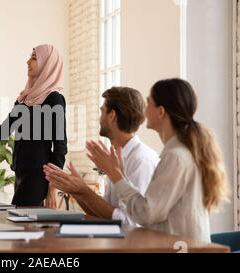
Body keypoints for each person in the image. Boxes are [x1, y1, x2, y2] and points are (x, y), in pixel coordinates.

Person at [80, 78, 229, 242]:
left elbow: (146, 214)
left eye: (149, 102)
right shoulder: (176, 153)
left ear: (161, 112)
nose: (144, 110)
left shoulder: (176, 157)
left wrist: (116, 176)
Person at [0, 44, 67, 207]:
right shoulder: (25, 99)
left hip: (38, 176)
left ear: (47, 64)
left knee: (22, 224)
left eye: (34, 58)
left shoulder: (54, 99)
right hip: (21, 173)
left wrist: (52, 188)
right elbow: (3, 131)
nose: (28, 62)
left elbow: (60, 147)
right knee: (27, 226)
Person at [43, 87, 159, 225]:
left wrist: (83, 190)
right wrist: (75, 191)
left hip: (133, 244)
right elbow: (102, 212)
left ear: (112, 116)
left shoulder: (141, 161)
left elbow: (130, 222)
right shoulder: (117, 157)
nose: (99, 118)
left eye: (102, 111)